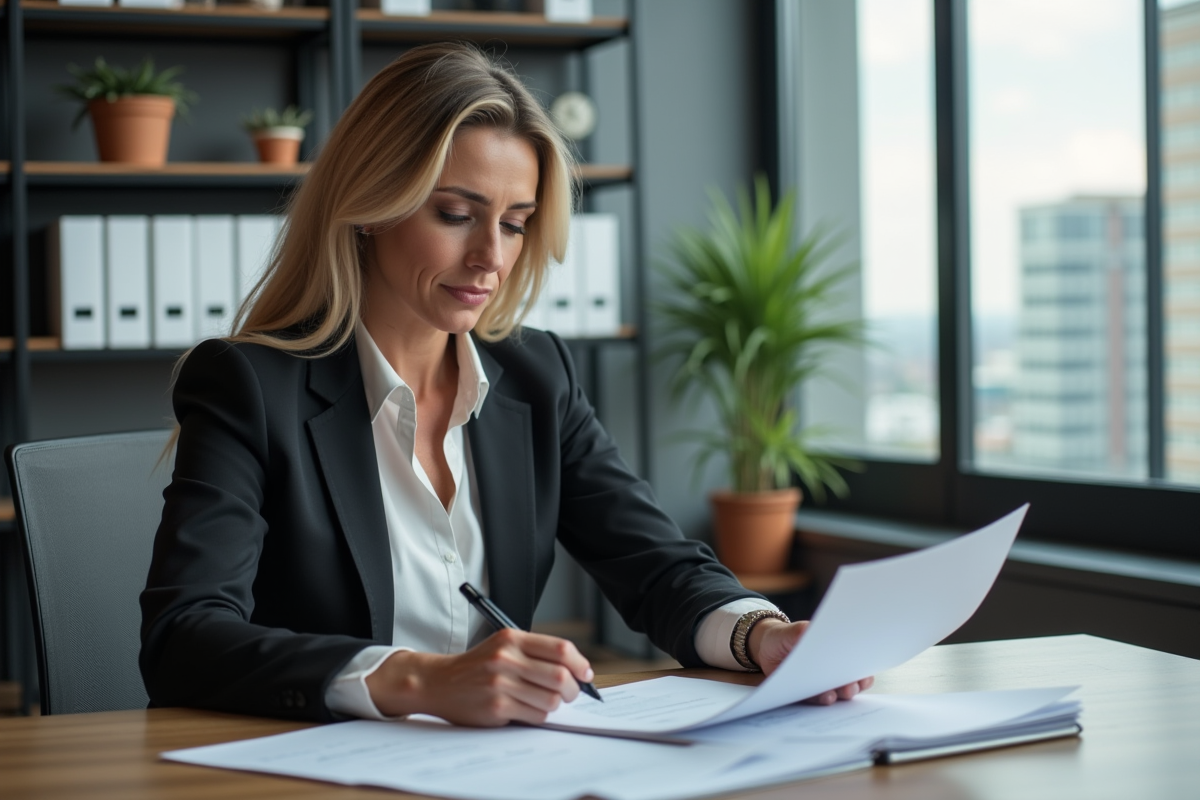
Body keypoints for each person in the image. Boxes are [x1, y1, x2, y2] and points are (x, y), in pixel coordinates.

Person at [139, 42, 871, 726]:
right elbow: (183, 640)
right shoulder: (249, 386)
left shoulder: (533, 375)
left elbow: (655, 564)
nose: (492, 256)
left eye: (517, 224)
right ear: (369, 208)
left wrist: (760, 635)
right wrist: (420, 680)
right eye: (456, 214)